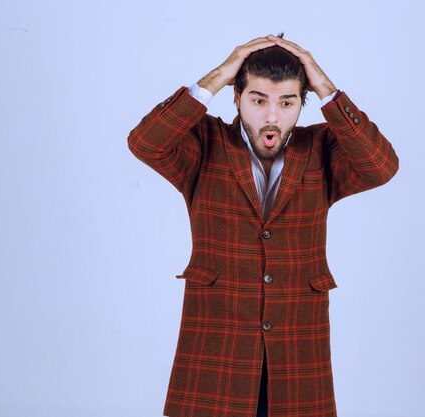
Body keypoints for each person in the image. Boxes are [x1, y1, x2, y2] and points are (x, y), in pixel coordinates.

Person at [128, 34, 399, 417]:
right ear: (236, 96)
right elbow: (145, 143)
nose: (272, 116)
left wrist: (327, 90)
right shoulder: (205, 143)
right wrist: (219, 75)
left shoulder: (321, 148)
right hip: (216, 353)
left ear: (301, 104)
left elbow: (381, 166)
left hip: (297, 354)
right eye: (258, 100)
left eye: (287, 102)